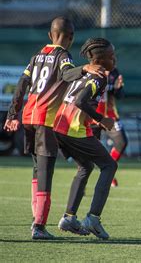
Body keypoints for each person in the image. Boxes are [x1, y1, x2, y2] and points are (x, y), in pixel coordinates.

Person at [3, 17, 104, 240]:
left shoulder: (36, 56)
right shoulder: (63, 56)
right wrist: (85, 68)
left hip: (29, 116)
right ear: (71, 38)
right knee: (46, 170)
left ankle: (35, 218)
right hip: (45, 119)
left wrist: (12, 114)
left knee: (37, 169)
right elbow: (66, 74)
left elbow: (21, 85)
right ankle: (39, 226)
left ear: (50, 35)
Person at [54, 38, 117, 240]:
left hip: (60, 127)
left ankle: (69, 217)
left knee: (86, 167)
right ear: (100, 59)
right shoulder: (99, 77)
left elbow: (75, 98)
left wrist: (92, 120)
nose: (114, 59)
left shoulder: (85, 74)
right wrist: (101, 119)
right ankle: (93, 218)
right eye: (111, 56)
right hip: (73, 130)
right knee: (109, 166)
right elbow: (81, 101)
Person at [93, 68, 128, 187]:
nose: (112, 59)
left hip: (110, 116)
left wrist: (118, 89)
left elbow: (120, 96)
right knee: (87, 151)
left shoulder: (114, 73)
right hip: (92, 116)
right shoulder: (91, 70)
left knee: (121, 142)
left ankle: (108, 171)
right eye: (110, 56)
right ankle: (80, 184)